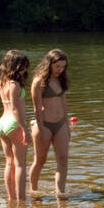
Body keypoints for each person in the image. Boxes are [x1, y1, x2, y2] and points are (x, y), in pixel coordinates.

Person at [29, 49, 70, 198]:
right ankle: (33, 191)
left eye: (63, 67)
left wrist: (67, 125)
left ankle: (61, 195)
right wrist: (41, 129)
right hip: (44, 124)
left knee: (63, 160)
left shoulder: (61, 79)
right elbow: (37, 108)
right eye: (58, 66)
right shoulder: (38, 81)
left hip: (61, 124)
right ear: (49, 64)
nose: (60, 70)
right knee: (40, 160)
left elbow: (63, 104)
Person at [0, 50, 30, 200]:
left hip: (2, 123)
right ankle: (21, 199)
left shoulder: (2, 83)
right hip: (14, 123)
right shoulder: (14, 85)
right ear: (16, 66)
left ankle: (11, 198)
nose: (25, 70)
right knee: (20, 164)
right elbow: (15, 109)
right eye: (23, 66)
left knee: (9, 162)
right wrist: (25, 129)